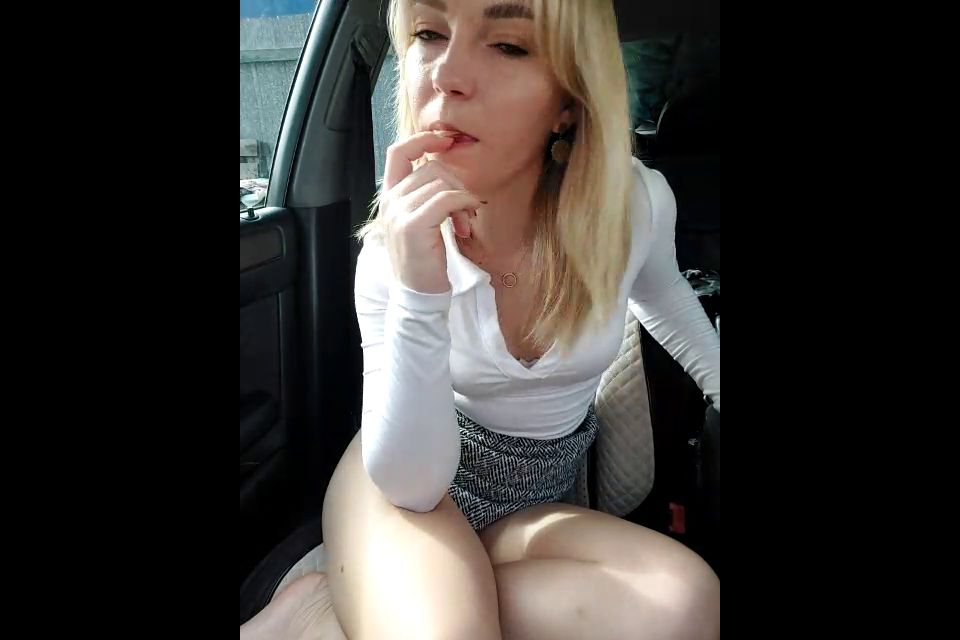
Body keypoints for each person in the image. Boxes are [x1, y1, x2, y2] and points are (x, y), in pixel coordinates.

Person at [243, 0, 720, 637]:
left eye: (508, 45)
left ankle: (328, 611)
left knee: (687, 600)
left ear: (569, 100)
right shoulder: (392, 251)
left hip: (537, 492)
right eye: (429, 33)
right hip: (406, 488)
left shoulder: (633, 204)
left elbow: (667, 302)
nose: (446, 74)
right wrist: (421, 289)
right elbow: (412, 486)